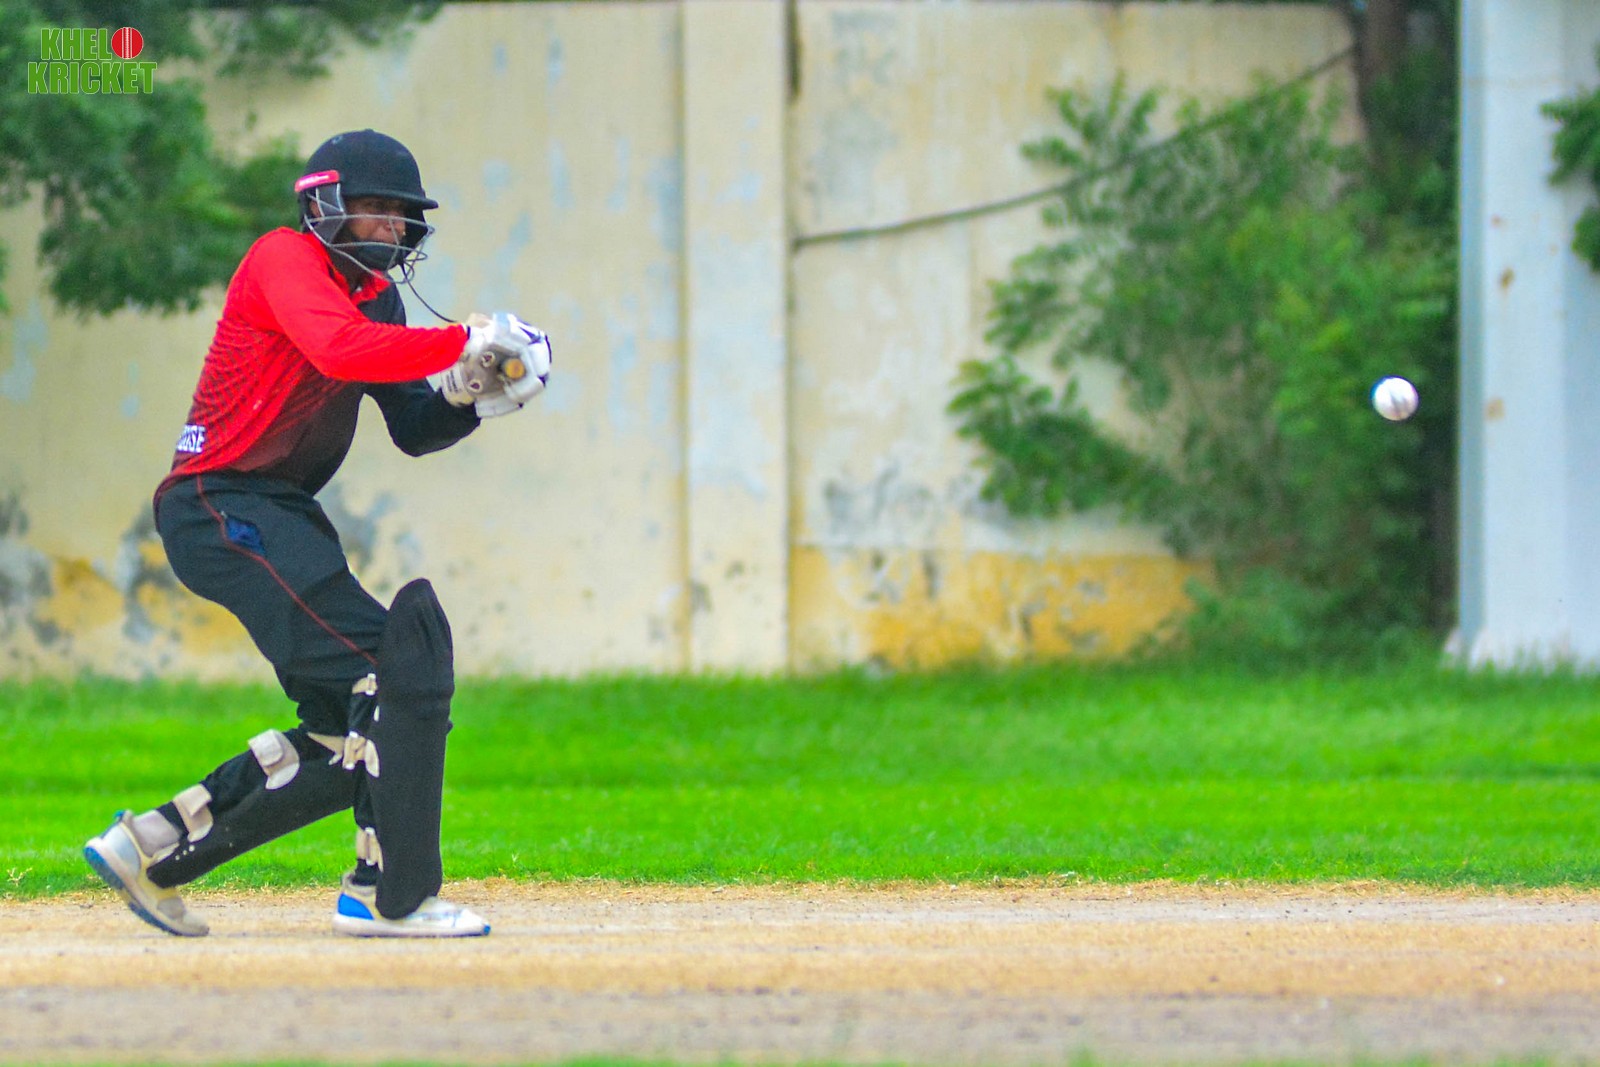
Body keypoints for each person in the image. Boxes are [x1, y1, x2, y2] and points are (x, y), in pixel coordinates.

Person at [82, 129, 551, 938]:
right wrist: (462, 340)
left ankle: (149, 846)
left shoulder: (381, 302)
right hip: (218, 501)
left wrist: (470, 393)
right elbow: (335, 347)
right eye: (375, 208)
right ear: (325, 205)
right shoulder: (283, 258)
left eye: (402, 214)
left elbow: (413, 428)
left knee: (349, 727)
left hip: (277, 510)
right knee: (392, 669)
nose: (393, 226)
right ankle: (389, 894)